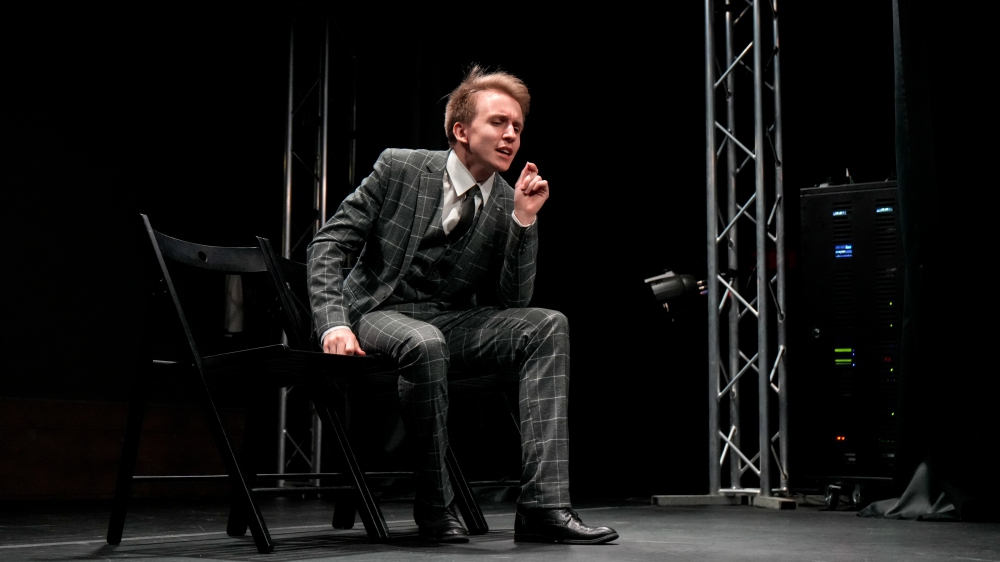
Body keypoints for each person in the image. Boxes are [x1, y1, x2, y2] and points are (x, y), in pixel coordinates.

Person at [307, 66, 617, 544]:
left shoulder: (506, 201)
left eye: (517, 127)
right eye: (498, 122)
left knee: (546, 324)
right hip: (376, 314)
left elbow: (513, 301)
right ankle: (435, 506)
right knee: (424, 342)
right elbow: (328, 244)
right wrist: (333, 324)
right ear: (461, 131)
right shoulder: (401, 168)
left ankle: (543, 507)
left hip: (450, 322)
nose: (511, 135)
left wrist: (523, 221)